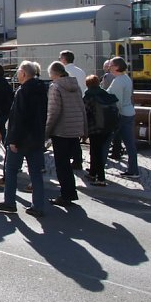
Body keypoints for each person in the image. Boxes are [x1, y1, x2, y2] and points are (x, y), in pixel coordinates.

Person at [0, 60, 49, 218]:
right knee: (36, 173)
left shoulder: (23, 91)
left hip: (21, 139)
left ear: (24, 73)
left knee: (10, 170)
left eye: (18, 72)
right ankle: (38, 205)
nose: (17, 74)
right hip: (37, 137)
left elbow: (19, 118)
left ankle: (9, 202)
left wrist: (13, 140)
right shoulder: (42, 88)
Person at [45, 61, 88, 207]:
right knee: (70, 165)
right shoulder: (75, 86)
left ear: (54, 73)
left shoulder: (55, 87)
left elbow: (53, 111)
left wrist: (47, 131)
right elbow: (82, 107)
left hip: (61, 130)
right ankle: (71, 192)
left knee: (62, 165)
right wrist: (84, 128)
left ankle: (66, 194)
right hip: (75, 128)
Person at [106, 57, 140, 179]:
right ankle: (133, 169)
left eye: (110, 65)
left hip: (121, 115)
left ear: (116, 67)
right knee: (130, 144)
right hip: (129, 112)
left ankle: (98, 169)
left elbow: (117, 101)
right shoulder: (126, 79)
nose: (108, 67)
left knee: (106, 141)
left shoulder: (118, 81)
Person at [83, 74, 119, 186]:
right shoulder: (106, 94)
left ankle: (100, 179)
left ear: (87, 85)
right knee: (97, 151)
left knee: (96, 152)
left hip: (95, 128)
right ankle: (92, 173)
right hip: (108, 127)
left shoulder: (88, 96)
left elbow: (84, 113)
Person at [59, 50, 86, 171]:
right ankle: (77, 159)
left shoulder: (65, 72)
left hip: (67, 106)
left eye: (60, 58)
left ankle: (72, 159)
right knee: (75, 136)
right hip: (80, 105)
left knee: (67, 135)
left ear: (64, 59)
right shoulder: (81, 71)